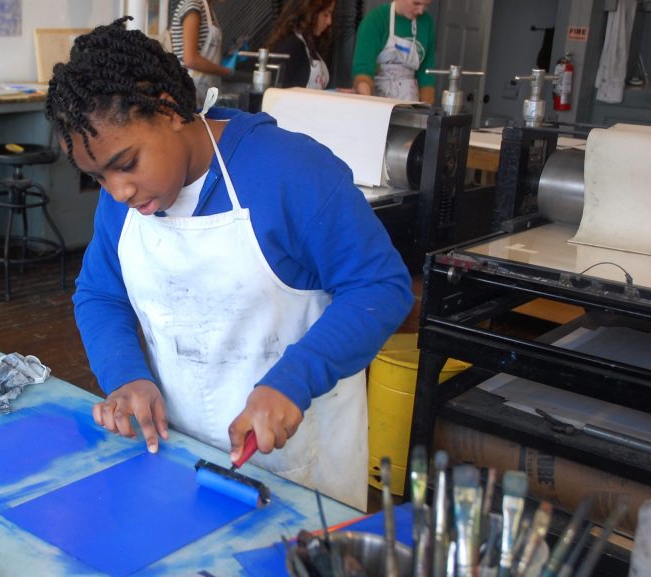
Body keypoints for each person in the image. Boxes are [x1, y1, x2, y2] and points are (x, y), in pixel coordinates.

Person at [46, 18, 412, 510]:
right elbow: (100, 294)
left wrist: (294, 379)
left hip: (298, 471)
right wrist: (126, 376)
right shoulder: (123, 204)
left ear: (172, 110)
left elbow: (380, 287)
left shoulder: (291, 172)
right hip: (177, 457)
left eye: (127, 163)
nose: (119, 191)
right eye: (99, 177)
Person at [351, 0, 436, 103]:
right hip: (376, 99)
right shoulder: (376, 20)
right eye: (416, 3)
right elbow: (363, 70)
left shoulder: (426, 23)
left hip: (410, 101)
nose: (421, 11)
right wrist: (367, 103)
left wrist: (426, 111)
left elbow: (426, 75)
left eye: (426, 5)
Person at [169, 0, 234, 104]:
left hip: (204, 87)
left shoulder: (206, 9)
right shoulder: (192, 6)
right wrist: (226, 71)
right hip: (190, 89)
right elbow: (191, 60)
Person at [265, 0, 335, 90]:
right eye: (326, 14)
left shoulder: (311, 44)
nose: (329, 21)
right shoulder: (291, 45)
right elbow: (280, 94)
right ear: (310, 13)